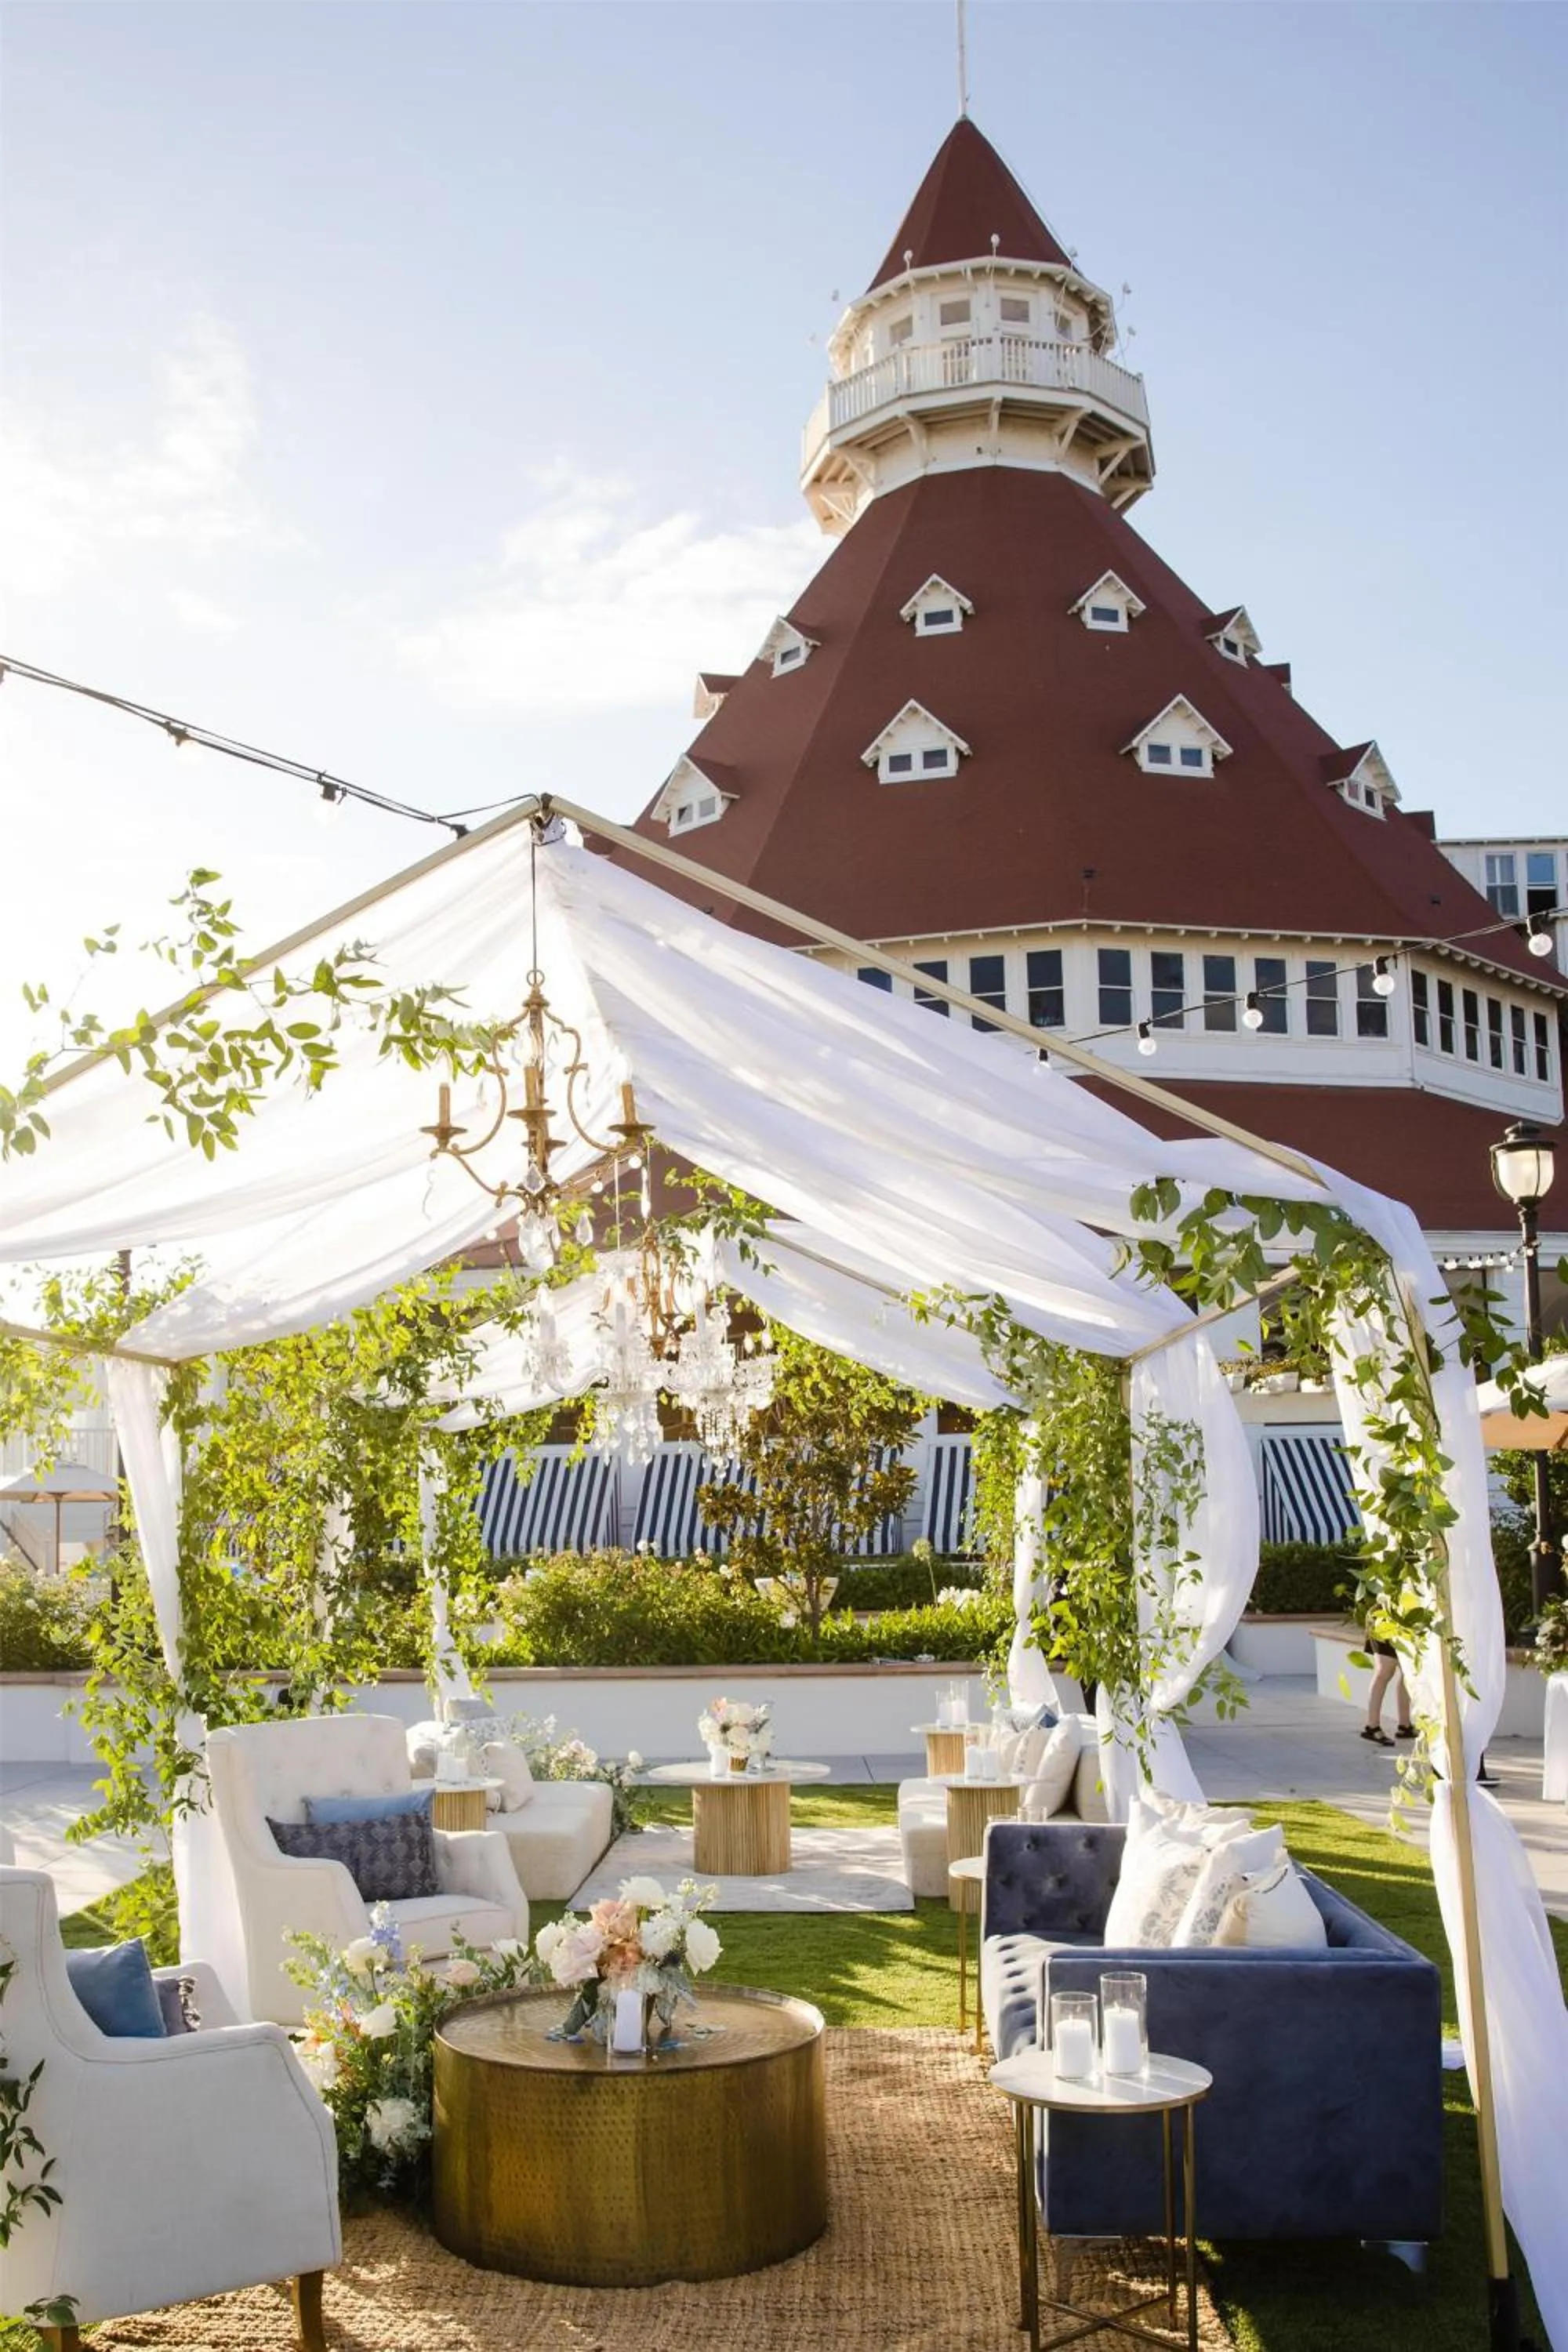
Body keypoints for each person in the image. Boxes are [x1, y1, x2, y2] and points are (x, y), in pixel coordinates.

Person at [1361, 1639, 1414, 1746]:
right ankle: (1372, 1726)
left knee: (1408, 1672)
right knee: (1384, 1671)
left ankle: (1405, 1725)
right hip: (1384, 1626)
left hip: (1403, 1627)